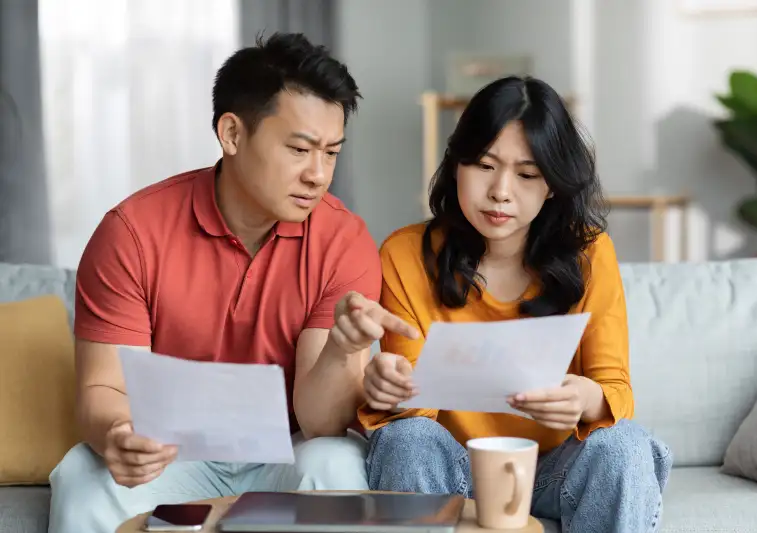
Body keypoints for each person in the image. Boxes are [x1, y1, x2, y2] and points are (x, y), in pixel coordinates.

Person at [48, 32, 417, 533]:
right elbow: (102, 386)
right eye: (299, 149)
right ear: (232, 134)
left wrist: (340, 349)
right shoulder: (132, 233)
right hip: (170, 453)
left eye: (331, 152)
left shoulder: (343, 239)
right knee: (81, 476)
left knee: (334, 461)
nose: (318, 174)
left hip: (286, 452)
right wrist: (119, 434)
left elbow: (321, 423)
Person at [357, 76, 673, 532]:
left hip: (553, 474)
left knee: (621, 445)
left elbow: (615, 388)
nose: (501, 191)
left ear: (552, 186)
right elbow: (413, 414)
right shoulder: (404, 255)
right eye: (484, 166)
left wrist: (583, 398)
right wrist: (391, 388)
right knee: (407, 439)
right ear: (457, 165)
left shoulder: (590, 254)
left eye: (527, 175)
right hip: (453, 472)